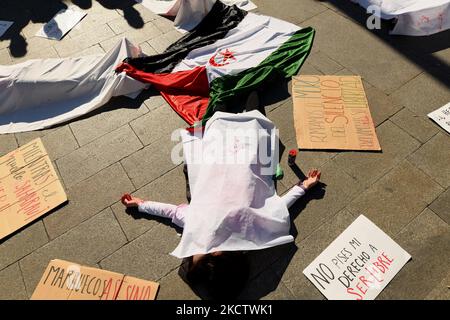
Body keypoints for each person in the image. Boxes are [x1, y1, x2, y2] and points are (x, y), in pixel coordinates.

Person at [121, 168, 321, 299]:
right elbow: (277, 210)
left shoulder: (206, 226)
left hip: (222, 174)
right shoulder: (236, 231)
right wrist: (303, 187)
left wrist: (141, 205)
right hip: (231, 173)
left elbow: (170, 211)